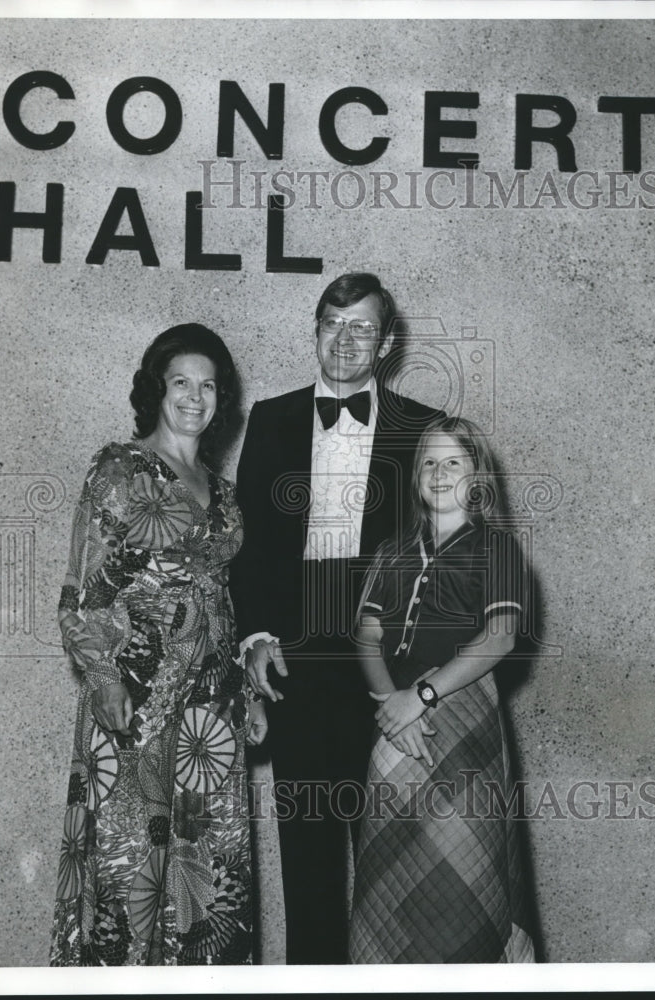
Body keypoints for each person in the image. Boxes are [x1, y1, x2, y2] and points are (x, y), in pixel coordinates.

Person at [229, 272, 435, 964]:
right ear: (315, 331)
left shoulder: (420, 427)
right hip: (298, 648)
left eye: (361, 328)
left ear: (386, 343)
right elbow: (249, 543)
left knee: (396, 858)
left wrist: (422, 676)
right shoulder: (272, 417)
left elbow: (439, 555)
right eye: (332, 324)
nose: (344, 341)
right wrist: (255, 635)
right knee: (307, 854)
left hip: (383, 654)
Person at [49, 324, 267, 966]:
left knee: (208, 873)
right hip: (136, 699)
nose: (195, 397)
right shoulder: (120, 469)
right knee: (129, 871)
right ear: (157, 390)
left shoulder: (222, 492)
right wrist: (104, 677)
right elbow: (82, 593)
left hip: (210, 713)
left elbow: (224, 603)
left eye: (208, 385)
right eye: (181, 382)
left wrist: (247, 691)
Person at [348, 415, 536, 964]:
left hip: (464, 728)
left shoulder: (497, 548)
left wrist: (421, 698)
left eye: (453, 461)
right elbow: (366, 639)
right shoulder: (390, 552)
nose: (438, 472)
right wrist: (391, 706)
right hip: (397, 730)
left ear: (477, 476)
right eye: (428, 461)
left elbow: (499, 638)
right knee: (386, 888)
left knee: (463, 886)